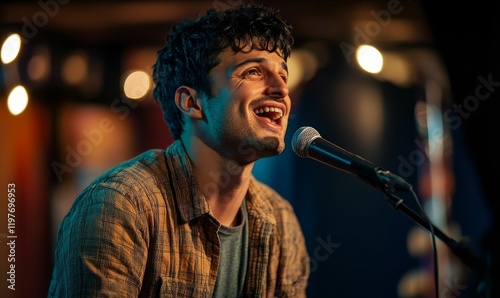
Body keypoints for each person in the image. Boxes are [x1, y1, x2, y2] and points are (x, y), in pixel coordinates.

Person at [48, 2, 310, 297]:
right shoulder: (120, 206)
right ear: (191, 102)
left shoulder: (280, 220)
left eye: (283, 75)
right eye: (252, 72)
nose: (281, 88)